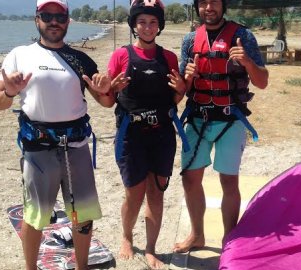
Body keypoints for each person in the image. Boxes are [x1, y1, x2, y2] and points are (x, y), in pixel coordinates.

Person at [0, 1, 111, 269]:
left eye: (59, 16)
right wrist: (9, 92)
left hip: (77, 148)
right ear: (37, 19)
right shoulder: (19, 55)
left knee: (83, 216)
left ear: (68, 21)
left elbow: (106, 102)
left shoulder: (80, 60)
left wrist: (106, 90)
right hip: (38, 150)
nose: (53, 21)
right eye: (47, 16)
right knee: (36, 216)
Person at [173, 0, 269, 253]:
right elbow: (184, 89)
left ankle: (229, 239)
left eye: (214, 1)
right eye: (203, 2)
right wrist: (189, 78)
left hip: (231, 119)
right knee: (190, 180)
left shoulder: (243, 36)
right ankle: (197, 235)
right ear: (197, 7)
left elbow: (262, 82)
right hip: (197, 119)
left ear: (223, 6)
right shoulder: (189, 40)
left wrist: (248, 62)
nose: (209, 7)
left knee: (229, 181)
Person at [102, 0, 186, 268]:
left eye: (152, 22)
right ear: (134, 25)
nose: (147, 27)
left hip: (162, 134)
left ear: (159, 25)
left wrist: (183, 87)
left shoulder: (169, 58)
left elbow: (175, 98)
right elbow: (108, 97)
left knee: (156, 193)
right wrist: (110, 88)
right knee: (134, 192)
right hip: (131, 134)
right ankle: (126, 236)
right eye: (142, 22)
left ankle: (151, 248)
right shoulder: (121, 55)